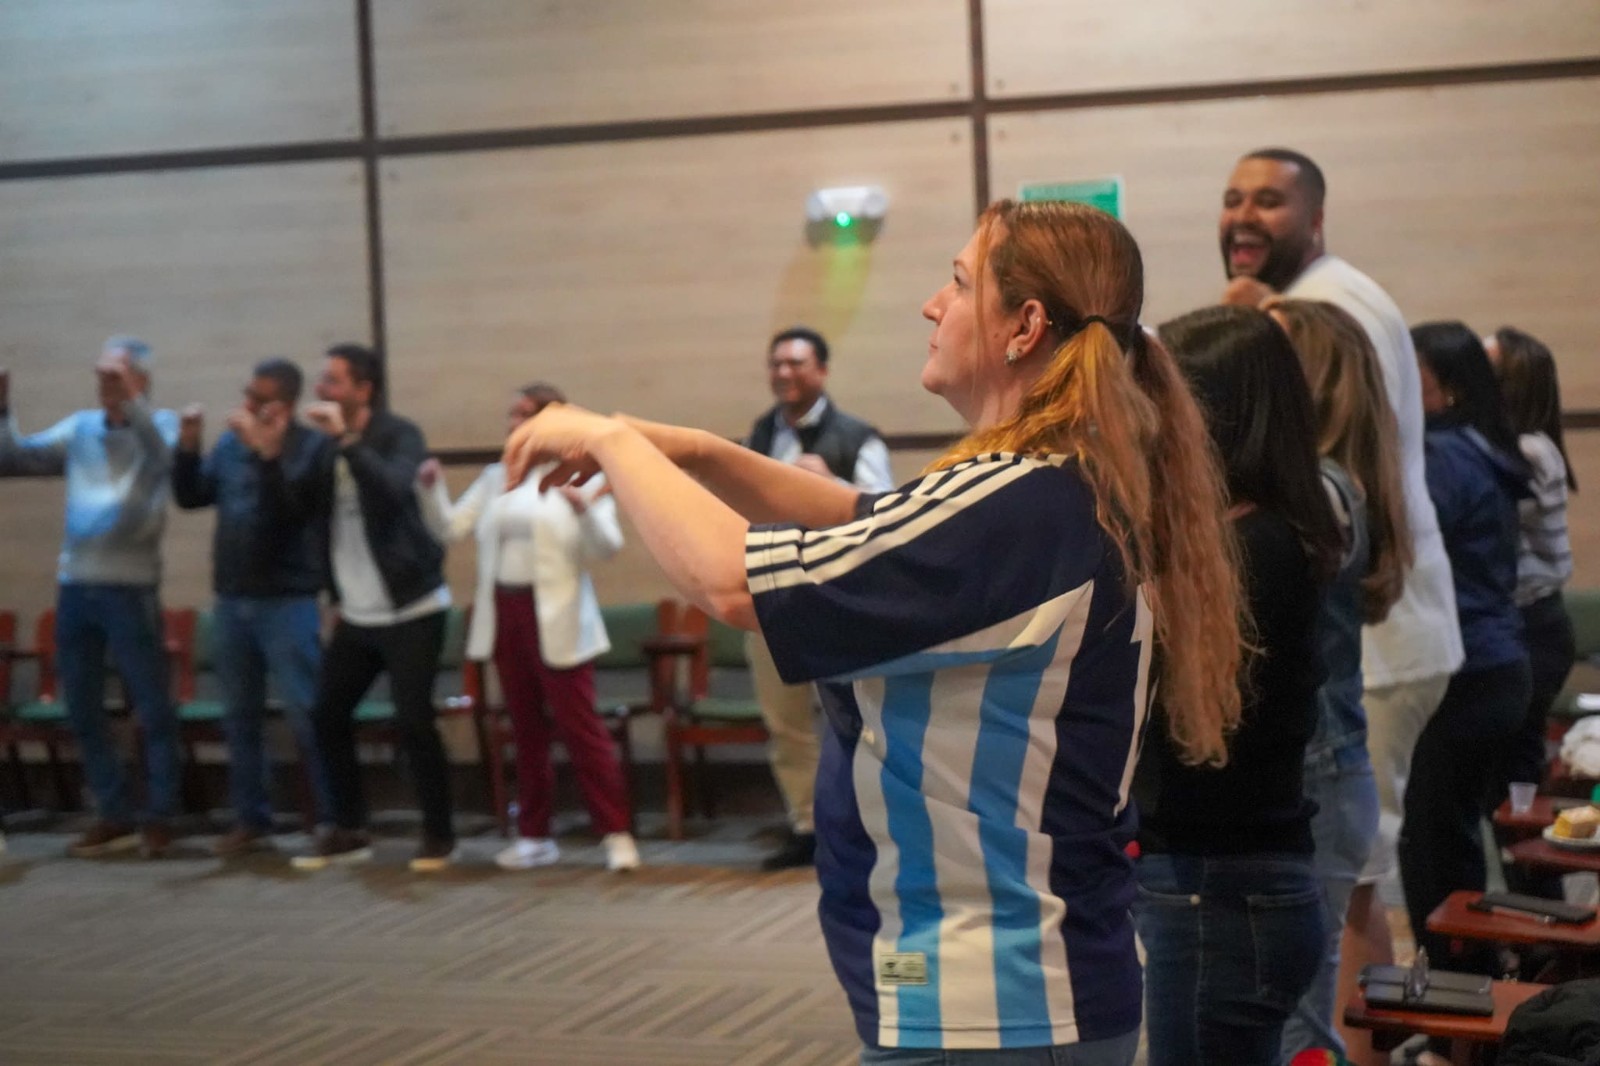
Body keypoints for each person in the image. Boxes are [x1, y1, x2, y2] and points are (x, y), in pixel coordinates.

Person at [500, 200, 1244, 1064]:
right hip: (1011, 988)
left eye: (959, 283)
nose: (934, 304)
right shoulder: (1052, 486)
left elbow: (729, 582)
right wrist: (697, 452)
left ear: (1025, 326)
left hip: (996, 996)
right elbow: (867, 519)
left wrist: (611, 440)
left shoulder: (1018, 500)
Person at [1217, 147, 1460, 1004]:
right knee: (1352, 877)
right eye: (1233, 198)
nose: (1243, 216)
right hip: (1377, 630)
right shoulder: (1315, 298)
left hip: (1373, 636)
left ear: (1315, 218)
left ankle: (1355, 1047)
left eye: (1269, 201)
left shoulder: (1319, 310)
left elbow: (1309, 474)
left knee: (1347, 882)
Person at [1137, 305, 1343, 1066]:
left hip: (1221, 890)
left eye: (1165, 398)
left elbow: (1191, 731)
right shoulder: (1260, 533)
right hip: (1233, 886)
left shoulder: (1251, 549)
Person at [1268, 297, 1412, 1059]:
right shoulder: (1328, 483)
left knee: (1297, 1016)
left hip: (1318, 774)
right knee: (1294, 1000)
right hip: (1321, 773)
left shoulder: (1323, 491)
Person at [416, 382, 639, 874]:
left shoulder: (581, 475)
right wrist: (431, 490)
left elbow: (608, 548)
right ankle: (535, 837)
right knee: (525, 729)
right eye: (512, 415)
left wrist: (583, 509)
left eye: (525, 415)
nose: (514, 424)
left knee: (582, 730)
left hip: (558, 615)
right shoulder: (496, 477)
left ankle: (616, 833)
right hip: (506, 612)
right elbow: (451, 529)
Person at [270, 343, 457, 873]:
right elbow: (298, 508)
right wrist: (276, 452)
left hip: (412, 606)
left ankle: (439, 834)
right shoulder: (320, 445)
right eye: (321, 381)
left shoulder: (399, 434)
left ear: (363, 389)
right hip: (356, 613)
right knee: (327, 715)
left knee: (414, 721)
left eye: (333, 381)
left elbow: (395, 490)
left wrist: (348, 442)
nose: (321, 390)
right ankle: (350, 829)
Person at [0, 338, 182, 858]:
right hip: (77, 585)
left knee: (151, 705)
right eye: (102, 377)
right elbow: (14, 458)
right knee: (81, 707)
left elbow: (162, 457)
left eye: (117, 376)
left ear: (140, 381)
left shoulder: (161, 424)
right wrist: (2, 410)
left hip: (131, 587)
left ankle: (160, 815)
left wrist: (130, 400)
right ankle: (114, 812)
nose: (105, 385)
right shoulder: (80, 427)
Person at [1404, 322, 1531, 980]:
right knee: (1449, 834)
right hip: (1497, 661)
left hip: (1465, 668)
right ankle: (1470, 972)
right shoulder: (1483, 446)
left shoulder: (1443, 455)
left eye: (1412, 370)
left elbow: (1405, 546)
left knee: (1431, 843)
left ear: (1447, 388)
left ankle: (1457, 986)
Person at [743, 325, 894, 869]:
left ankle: (863, 825)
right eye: (776, 363)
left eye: (795, 363)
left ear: (822, 371)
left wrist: (832, 483)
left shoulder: (857, 437)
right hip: (771, 593)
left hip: (838, 598)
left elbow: (886, 512)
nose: (783, 372)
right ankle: (806, 825)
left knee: (853, 715)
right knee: (784, 721)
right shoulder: (760, 435)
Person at [171, 358, 335, 855]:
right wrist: (188, 447)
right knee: (239, 717)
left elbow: (292, 511)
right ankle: (251, 820)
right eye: (248, 395)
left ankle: (333, 820)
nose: (246, 405)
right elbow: (191, 496)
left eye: (258, 399)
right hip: (233, 598)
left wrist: (267, 453)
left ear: (283, 405)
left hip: (287, 599)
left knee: (307, 714)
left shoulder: (311, 448)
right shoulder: (229, 445)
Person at [1487, 326, 1576, 894]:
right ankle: (1538, 902)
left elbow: (1481, 514)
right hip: (1532, 627)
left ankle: (1541, 906)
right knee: (1510, 780)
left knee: (1513, 785)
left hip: (1531, 628)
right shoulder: (1526, 447)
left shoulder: (1527, 452)